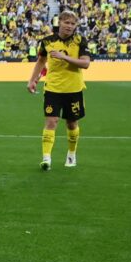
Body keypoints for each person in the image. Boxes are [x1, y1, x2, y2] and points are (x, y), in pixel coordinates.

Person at [27, 10, 90, 171]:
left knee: (71, 123)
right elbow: (41, 61)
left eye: (73, 24)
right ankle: (46, 158)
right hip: (53, 88)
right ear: (59, 22)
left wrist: (64, 57)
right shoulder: (47, 42)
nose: (69, 26)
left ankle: (71, 154)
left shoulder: (80, 40)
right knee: (51, 121)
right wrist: (33, 80)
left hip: (74, 89)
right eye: (66, 22)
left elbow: (85, 64)